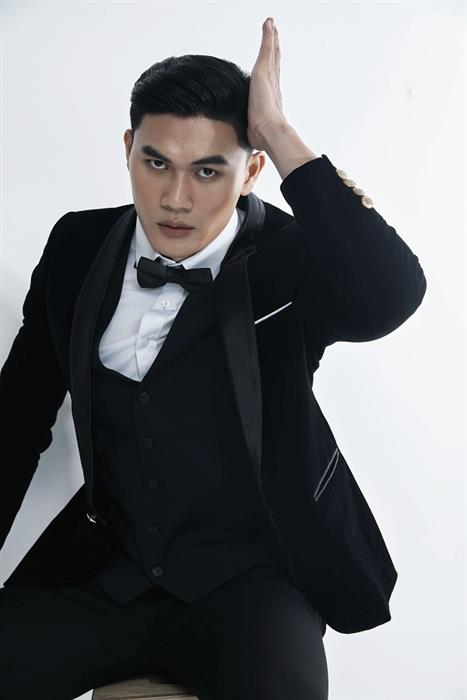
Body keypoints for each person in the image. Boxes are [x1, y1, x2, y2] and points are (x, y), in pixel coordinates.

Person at [0, 16, 426, 700]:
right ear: (128, 150)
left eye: (207, 170)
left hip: (250, 585)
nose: (176, 199)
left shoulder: (289, 257)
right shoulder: (78, 245)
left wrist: (277, 133)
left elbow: (391, 295)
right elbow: (16, 420)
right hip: (103, 572)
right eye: (156, 163)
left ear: (250, 170)